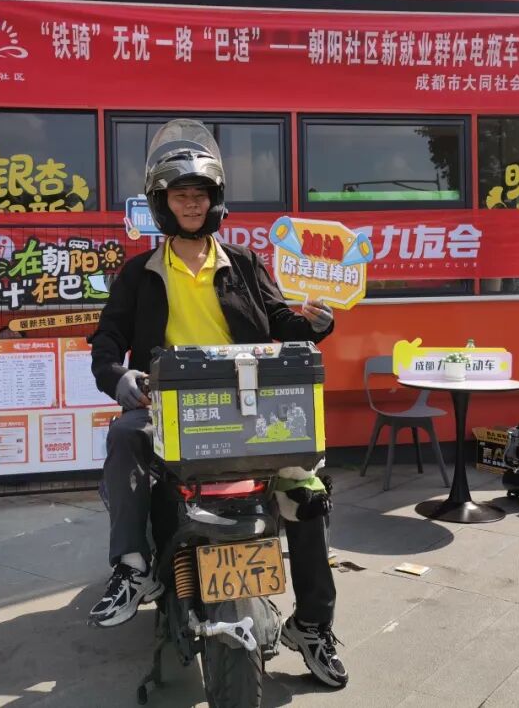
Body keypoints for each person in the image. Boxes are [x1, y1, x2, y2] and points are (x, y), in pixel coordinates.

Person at [87, 120, 348, 689]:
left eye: (199, 194)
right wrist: (119, 375)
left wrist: (313, 324)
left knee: (306, 492)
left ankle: (312, 624)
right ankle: (131, 568)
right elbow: (106, 343)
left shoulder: (245, 264)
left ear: (215, 201)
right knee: (125, 436)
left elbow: (281, 321)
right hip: (166, 411)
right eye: (180, 194)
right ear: (162, 203)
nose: (191, 203)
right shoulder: (138, 274)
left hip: (250, 411)